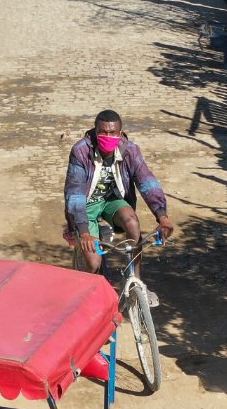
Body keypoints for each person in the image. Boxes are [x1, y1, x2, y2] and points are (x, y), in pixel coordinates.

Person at [63, 110, 175, 282]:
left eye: (113, 133)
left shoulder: (130, 151)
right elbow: (75, 194)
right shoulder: (81, 151)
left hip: (112, 200)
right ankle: (87, 289)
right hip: (86, 206)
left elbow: (148, 182)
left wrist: (163, 218)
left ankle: (136, 281)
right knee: (93, 263)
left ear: (120, 134)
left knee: (132, 223)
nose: (108, 137)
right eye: (103, 132)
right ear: (95, 132)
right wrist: (84, 232)